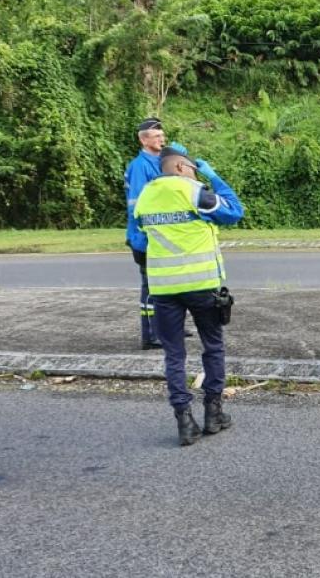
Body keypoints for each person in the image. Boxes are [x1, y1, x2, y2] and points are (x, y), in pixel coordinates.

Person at [134, 146, 245, 447]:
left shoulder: (145, 196)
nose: (197, 174)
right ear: (182, 167)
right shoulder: (192, 190)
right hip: (200, 284)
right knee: (212, 346)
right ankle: (213, 412)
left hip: (163, 288)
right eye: (195, 169)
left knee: (174, 355)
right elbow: (234, 211)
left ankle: (184, 420)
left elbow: (141, 236)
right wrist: (213, 176)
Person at [125, 118, 166, 350]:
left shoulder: (160, 161)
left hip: (161, 236)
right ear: (143, 139)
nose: (161, 139)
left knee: (165, 285)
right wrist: (146, 236)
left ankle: (168, 327)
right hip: (146, 237)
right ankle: (150, 334)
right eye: (156, 136)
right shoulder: (140, 166)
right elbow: (137, 206)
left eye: (162, 135)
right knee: (150, 287)